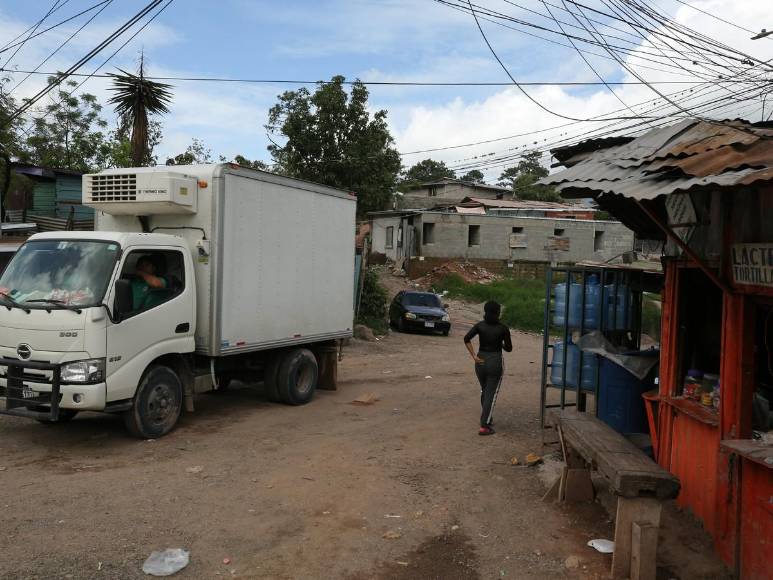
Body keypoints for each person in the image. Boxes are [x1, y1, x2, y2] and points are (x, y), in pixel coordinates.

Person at [464, 301, 512, 436]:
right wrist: (501, 344)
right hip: (495, 361)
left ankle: (487, 418)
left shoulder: (479, 326)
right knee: (491, 393)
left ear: (485, 311)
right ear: (498, 313)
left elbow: (466, 338)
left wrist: (473, 355)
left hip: (480, 361)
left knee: (485, 390)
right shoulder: (503, 328)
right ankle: (484, 426)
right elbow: (509, 349)